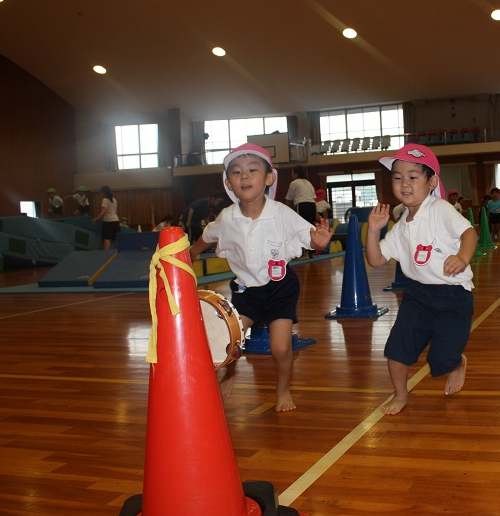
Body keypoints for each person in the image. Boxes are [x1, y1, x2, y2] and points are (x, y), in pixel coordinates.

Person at [190, 143, 333, 412]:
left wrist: (320, 242)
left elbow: (311, 239)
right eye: (236, 172)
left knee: (280, 348)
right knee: (228, 340)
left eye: (252, 170)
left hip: (280, 288)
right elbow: (204, 239)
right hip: (246, 292)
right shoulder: (226, 218)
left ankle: (283, 389)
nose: (244, 176)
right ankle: (229, 375)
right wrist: (190, 254)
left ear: (268, 178)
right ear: (228, 183)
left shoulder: (282, 213)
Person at [365, 143, 476, 415]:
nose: (404, 183)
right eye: (397, 177)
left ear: (431, 182)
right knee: (397, 349)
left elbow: (469, 233)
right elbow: (376, 259)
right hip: (417, 296)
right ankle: (400, 395)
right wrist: (373, 231)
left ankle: (457, 363)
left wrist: (462, 257)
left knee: (441, 359)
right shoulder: (401, 223)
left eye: (413, 177)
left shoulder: (440, 208)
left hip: (454, 296)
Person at [90, 185, 119, 250]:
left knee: (106, 238)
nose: (100, 194)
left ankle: (105, 254)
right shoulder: (114, 199)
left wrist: (96, 219)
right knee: (115, 238)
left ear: (104, 192)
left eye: (101, 192)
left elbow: (104, 211)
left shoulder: (105, 200)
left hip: (108, 221)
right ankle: (119, 252)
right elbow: (116, 211)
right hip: (116, 220)